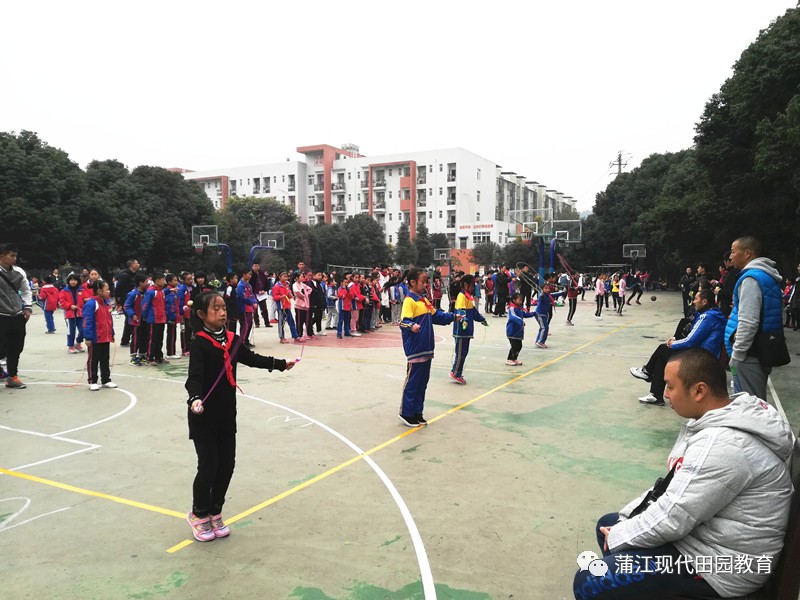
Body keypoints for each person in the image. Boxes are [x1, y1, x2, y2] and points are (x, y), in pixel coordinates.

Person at [574, 347, 793, 600]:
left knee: (590, 581)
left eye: (670, 386)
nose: (665, 394)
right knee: (609, 525)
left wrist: (620, 535)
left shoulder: (725, 445)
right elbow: (671, 491)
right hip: (710, 543)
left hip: (725, 567)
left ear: (699, 391)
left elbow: (673, 517)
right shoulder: (723, 420)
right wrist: (624, 523)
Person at [184, 291, 295, 542]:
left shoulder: (232, 340)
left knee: (227, 466)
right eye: (216, 309)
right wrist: (194, 398)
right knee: (208, 466)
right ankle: (198, 514)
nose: (223, 313)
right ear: (202, 315)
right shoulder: (200, 342)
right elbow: (195, 377)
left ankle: (215, 512)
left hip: (226, 414)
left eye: (224, 307)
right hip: (203, 415)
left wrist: (280, 363)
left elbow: (252, 359)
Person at [631, 289, 727, 405]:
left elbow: (691, 341)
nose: (694, 302)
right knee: (663, 355)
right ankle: (655, 395)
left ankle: (647, 373)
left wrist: (673, 343)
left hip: (701, 357)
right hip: (703, 353)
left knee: (663, 349)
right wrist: (676, 340)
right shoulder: (713, 314)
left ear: (704, 301)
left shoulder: (707, 317)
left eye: (696, 299)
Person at [724, 236, 784, 402]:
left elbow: (749, 322)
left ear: (747, 253)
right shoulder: (766, 276)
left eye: (733, 251)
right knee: (754, 402)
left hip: (749, 355)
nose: (730, 256)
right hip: (759, 351)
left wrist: (737, 355)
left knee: (749, 405)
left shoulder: (751, 279)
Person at [398, 268, 458, 427]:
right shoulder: (409, 301)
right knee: (412, 382)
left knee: (422, 383)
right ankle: (406, 413)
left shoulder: (424, 301)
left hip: (427, 348)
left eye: (426, 282)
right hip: (415, 349)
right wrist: (411, 325)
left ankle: (417, 412)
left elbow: (437, 316)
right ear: (412, 283)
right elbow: (403, 321)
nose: (425, 285)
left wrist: (453, 316)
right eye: (423, 282)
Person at [0, 243, 33, 389]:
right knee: (2, 348)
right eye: (11, 255)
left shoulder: (18, 272)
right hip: (1, 316)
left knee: (16, 347)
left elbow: (26, 290)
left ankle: (12, 377)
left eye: (15, 255)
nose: (15, 258)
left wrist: (27, 307)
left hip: (17, 315)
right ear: (2, 256)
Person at [450, 274, 488, 385]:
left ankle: (457, 372)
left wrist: (481, 319)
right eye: (472, 286)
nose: (473, 288)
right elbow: (461, 312)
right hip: (461, 331)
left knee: (464, 352)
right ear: (465, 285)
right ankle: (455, 373)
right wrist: (464, 321)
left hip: (467, 332)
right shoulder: (461, 296)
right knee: (461, 353)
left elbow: (474, 312)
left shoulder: (467, 297)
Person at [83, 280, 117, 391]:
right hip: (95, 338)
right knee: (93, 360)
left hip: (105, 337)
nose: (109, 291)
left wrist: (111, 333)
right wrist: (88, 337)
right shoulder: (91, 303)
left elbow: (109, 320)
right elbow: (87, 321)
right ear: (99, 291)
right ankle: (92, 381)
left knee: (105, 359)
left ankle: (106, 380)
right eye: (106, 289)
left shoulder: (106, 303)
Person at [124, 274, 149, 366]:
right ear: (140, 283)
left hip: (145, 319)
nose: (148, 283)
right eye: (146, 281)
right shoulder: (132, 294)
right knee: (135, 338)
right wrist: (132, 315)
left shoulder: (147, 293)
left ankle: (142, 355)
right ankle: (133, 357)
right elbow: (127, 306)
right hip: (135, 320)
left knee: (145, 337)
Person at [115, 259, 140, 346]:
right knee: (129, 319)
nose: (138, 264)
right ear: (132, 265)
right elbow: (119, 287)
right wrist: (118, 301)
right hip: (126, 300)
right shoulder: (124, 275)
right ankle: (125, 340)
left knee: (130, 320)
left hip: (134, 299)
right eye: (136, 263)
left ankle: (127, 339)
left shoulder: (135, 275)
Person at [506, 292, 536, 365]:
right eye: (519, 300)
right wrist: (521, 321)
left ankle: (514, 358)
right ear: (514, 300)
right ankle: (509, 359)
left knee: (519, 346)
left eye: (521, 300)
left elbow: (524, 314)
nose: (520, 301)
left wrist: (533, 314)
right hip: (512, 330)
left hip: (519, 331)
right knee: (514, 346)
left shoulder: (519, 308)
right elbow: (513, 317)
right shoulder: (512, 308)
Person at [59, 273, 86, 353]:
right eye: (71, 280)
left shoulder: (81, 290)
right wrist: (70, 306)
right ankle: (70, 346)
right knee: (71, 331)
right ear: (68, 281)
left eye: (75, 280)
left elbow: (84, 299)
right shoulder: (64, 291)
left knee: (83, 330)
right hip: (69, 314)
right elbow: (62, 302)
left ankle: (78, 343)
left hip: (80, 314)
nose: (73, 282)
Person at [271, 271, 300, 344]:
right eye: (284, 276)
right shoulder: (277, 286)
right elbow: (274, 297)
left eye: (286, 276)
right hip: (281, 307)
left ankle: (295, 336)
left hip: (287, 306)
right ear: (279, 277)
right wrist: (281, 297)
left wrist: (292, 296)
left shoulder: (286, 285)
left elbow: (288, 292)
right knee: (281, 323)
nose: (285, 278)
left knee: (291, 321)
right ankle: (282, 337)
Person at [236, 269, 258, 347]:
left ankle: (246, 340)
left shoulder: (248, 285)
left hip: (249, 308)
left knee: (249, 324)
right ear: (244, 274)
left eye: (251, 274)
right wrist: (252, 302)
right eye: (249, 274)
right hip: (244, 308)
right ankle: (242, 341)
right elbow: (242, 297)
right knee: (245, 325)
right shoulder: (240, 285)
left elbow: (252, 295)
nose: (250, 276)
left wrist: (255, 301)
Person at [164, 273, 183, 359]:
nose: (176, 282)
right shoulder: (168, 291)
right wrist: (171, 316)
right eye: (174, 280)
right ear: (169, 282)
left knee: (173, 333)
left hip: (174, 315)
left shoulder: (175, 290)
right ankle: (170, 352)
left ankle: (172, 351)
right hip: (170, 316)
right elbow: (169, 305)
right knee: (171, 334)